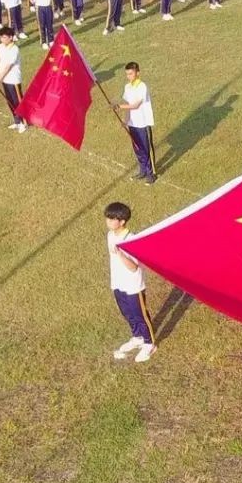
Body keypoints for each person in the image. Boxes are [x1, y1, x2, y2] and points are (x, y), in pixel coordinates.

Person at [104, 202, 157, 363]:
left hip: (133, 285)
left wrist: (121, 253)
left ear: (122, 221)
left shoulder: (131, 240)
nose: (108, 221)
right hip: (118, 283)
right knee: (126, 313)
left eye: (112, 219)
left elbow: (134, 267)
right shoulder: (110, 235)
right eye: (107, 218)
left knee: (140, 314)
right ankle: (137, 336)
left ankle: (149, 343)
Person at [114, 62, 156, 185]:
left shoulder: (142, 87)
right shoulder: (127, 87)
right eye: (127, 74)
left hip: (142, 123)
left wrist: (119, 106)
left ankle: (151, 173)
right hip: (133, 123)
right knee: (137, 149)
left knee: (145, 148)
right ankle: (142, 170)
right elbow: (129, 107)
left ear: (138, 73)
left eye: (131, 73)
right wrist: (125, 121)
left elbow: (136, 105)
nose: (129, 76)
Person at [0, 26, 26, 132]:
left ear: (11, 37)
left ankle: (22, 122)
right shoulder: (1, 46)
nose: (2, 39)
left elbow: (8, 66)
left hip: (13, 80)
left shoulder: (14, 49)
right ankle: (16, 121)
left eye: (4, 37)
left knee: (17, 101)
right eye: (1, 37)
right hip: (5, 80)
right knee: (10, 101)